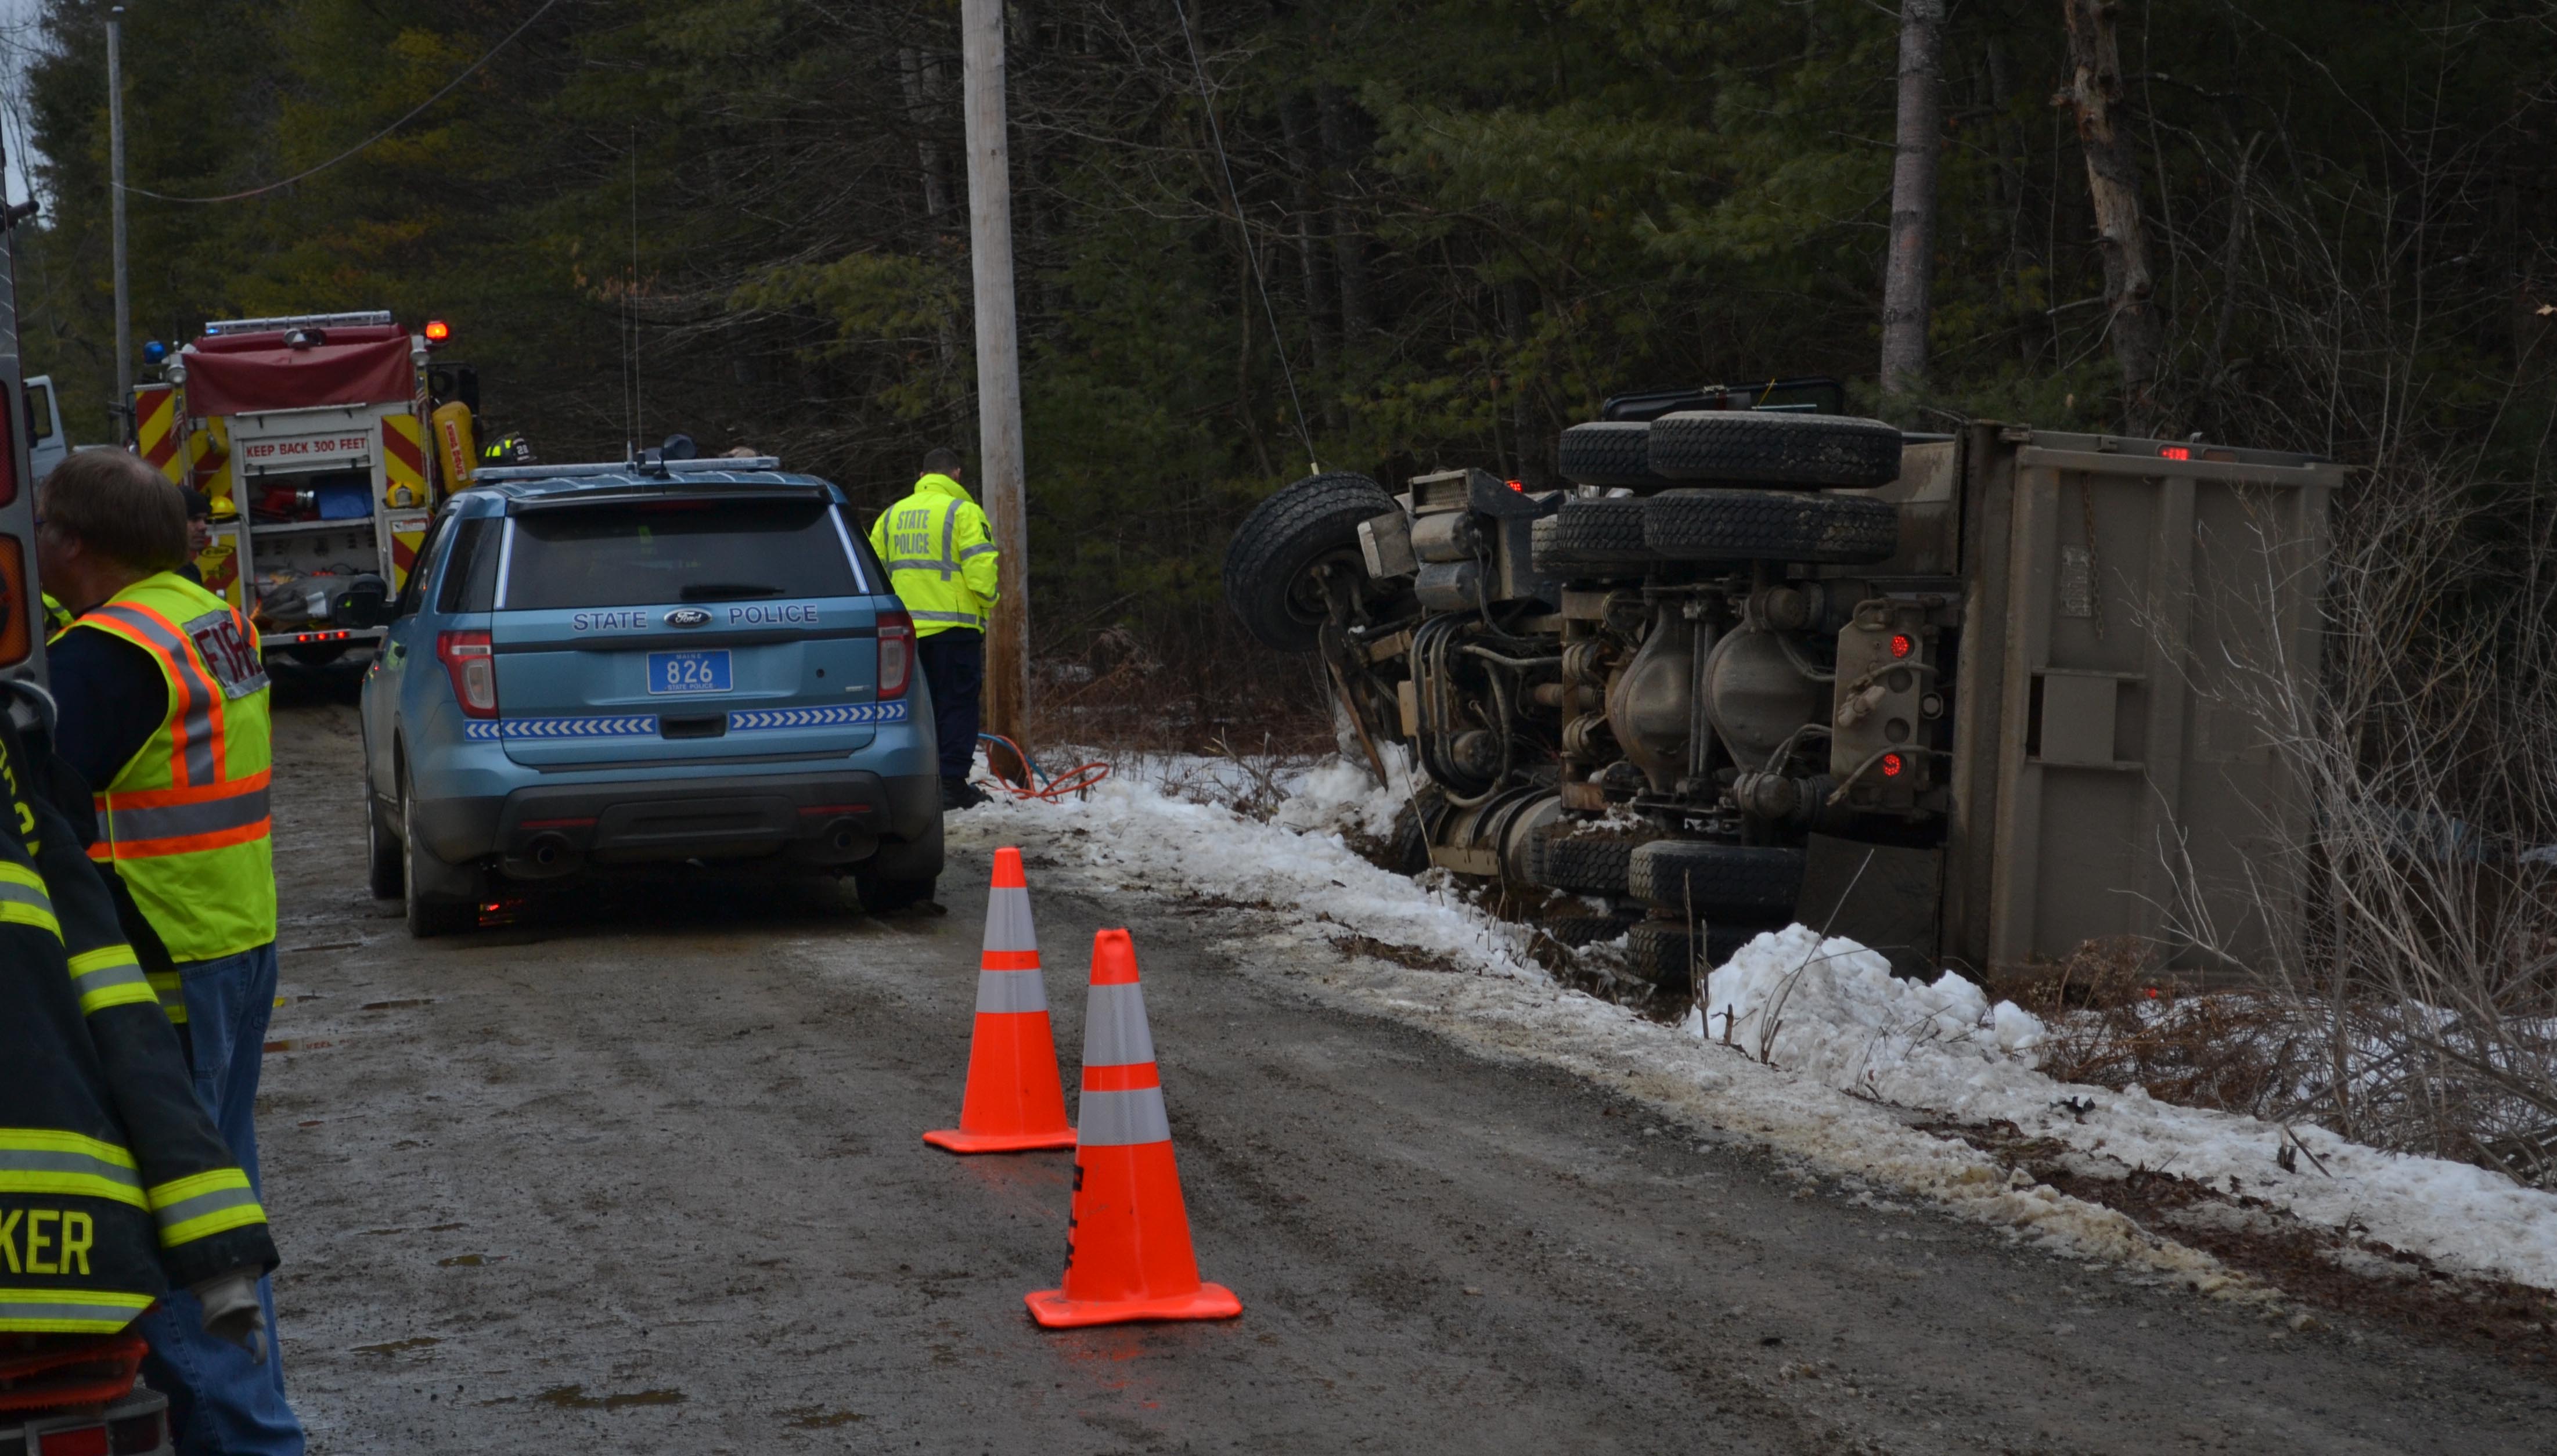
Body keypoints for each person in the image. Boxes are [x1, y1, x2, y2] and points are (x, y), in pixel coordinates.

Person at [34, 449, 303, 1454]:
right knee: (221, 1201)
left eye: (44, 527)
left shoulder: (105, 657)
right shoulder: (203, 615)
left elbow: (36, 797)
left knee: (176, 1221)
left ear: (75, 542)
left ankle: (245, 1438)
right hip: (227, 942)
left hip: (157, 966)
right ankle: (254, 1428)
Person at [868, 447, 998, 810]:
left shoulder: (890, 516)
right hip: (953, 628)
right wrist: (987, 604)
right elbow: (982, 572)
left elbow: (873, 574)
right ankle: (952, 785)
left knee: (912, 709)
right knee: (956, 705)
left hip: (902, 634)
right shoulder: (964, 512)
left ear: (922, 476)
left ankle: (915, 783)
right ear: (955, 475)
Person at [174, 486, 213, 586]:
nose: (203, 527)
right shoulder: (160, 572)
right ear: (172, 522)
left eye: (205, 520)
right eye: (194, 519)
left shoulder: (191, 571)